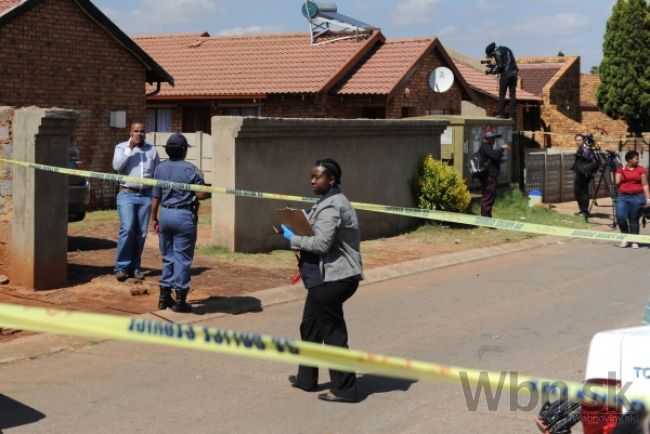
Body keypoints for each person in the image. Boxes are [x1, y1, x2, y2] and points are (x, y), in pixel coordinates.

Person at [278, 158, 363, 403]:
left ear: (332, 180)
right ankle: (306, 378)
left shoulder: (332, 206)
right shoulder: (327, 202)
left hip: (336, 277)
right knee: (310, 326)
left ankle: (345, 389)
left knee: (333, 333)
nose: (312, 180)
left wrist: (292, 239)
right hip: (324, 276)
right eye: (312, 176)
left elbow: (321, 243)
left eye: (318, 177)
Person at [150, 133, 208, 312]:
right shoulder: (191, 169)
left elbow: (156, 195)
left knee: (167, 257)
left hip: (165, 214)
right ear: (183, 151)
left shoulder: (160, 168)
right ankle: (180, 301)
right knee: (182, 259)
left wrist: (154, 217)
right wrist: (208, 190)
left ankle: (163, 297)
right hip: (184, 216)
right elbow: (201, 194)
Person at [112, 121, 160, 282]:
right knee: (127, 229)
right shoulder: (121, 147)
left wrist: (155, 197)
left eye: (142, 131)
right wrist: (129, 149)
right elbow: (117, 166)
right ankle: (121, 267)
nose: (139, 134)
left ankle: (135, 266)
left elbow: (156, 174)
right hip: (127, 194)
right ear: (130, 132)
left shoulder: (152, 150)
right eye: (136, 131)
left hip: (145, 195)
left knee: (141, 233)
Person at [614, 150, 650, 249]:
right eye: (636, 158)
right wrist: (615, 170)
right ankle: (625, 238)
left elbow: (645, 184)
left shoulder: (641, 170)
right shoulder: (621, 169)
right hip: (622, 197)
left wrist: (648, 198)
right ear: (629, 160)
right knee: (621, 217)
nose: (638, 160)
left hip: (637, 197)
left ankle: (634, 240)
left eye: (638, 158)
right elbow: (617, 182)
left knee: (633, 219)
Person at [478, 125, 509, 217]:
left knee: (489, 196)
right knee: (488, 197)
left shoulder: (488, 147)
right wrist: (502, 148)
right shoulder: (485, 146)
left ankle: (486, 216)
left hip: (490, 176)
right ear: (489, 138)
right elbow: (494, 155)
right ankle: (486, 219)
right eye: (493, 137)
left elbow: (494, 157)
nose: (494, 140)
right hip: (488, 176)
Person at [485, 42, 519, 119]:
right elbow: (505, 63)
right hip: (514, 74)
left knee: (502, 94)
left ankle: (501, 114)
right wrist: (494, 66)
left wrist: (491, 71)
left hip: (506, 75)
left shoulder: (497, 52)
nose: (492, 56)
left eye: (491, 55)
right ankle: (512, 115)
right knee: (512, 95)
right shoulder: (506, 49)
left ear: (492, 51)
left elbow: (500, 66)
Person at [571, 133, 598, 220]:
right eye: (576, 140)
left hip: (585, 174)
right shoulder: (581, 148)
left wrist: (585, 148)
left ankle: (585, 211)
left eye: (579, 140)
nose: (578, 142)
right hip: (580, 173)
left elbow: (588, 157)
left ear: (583, 140)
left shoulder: (586, 149)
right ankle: (582, 210)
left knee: (583, 192)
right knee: (577, 192)